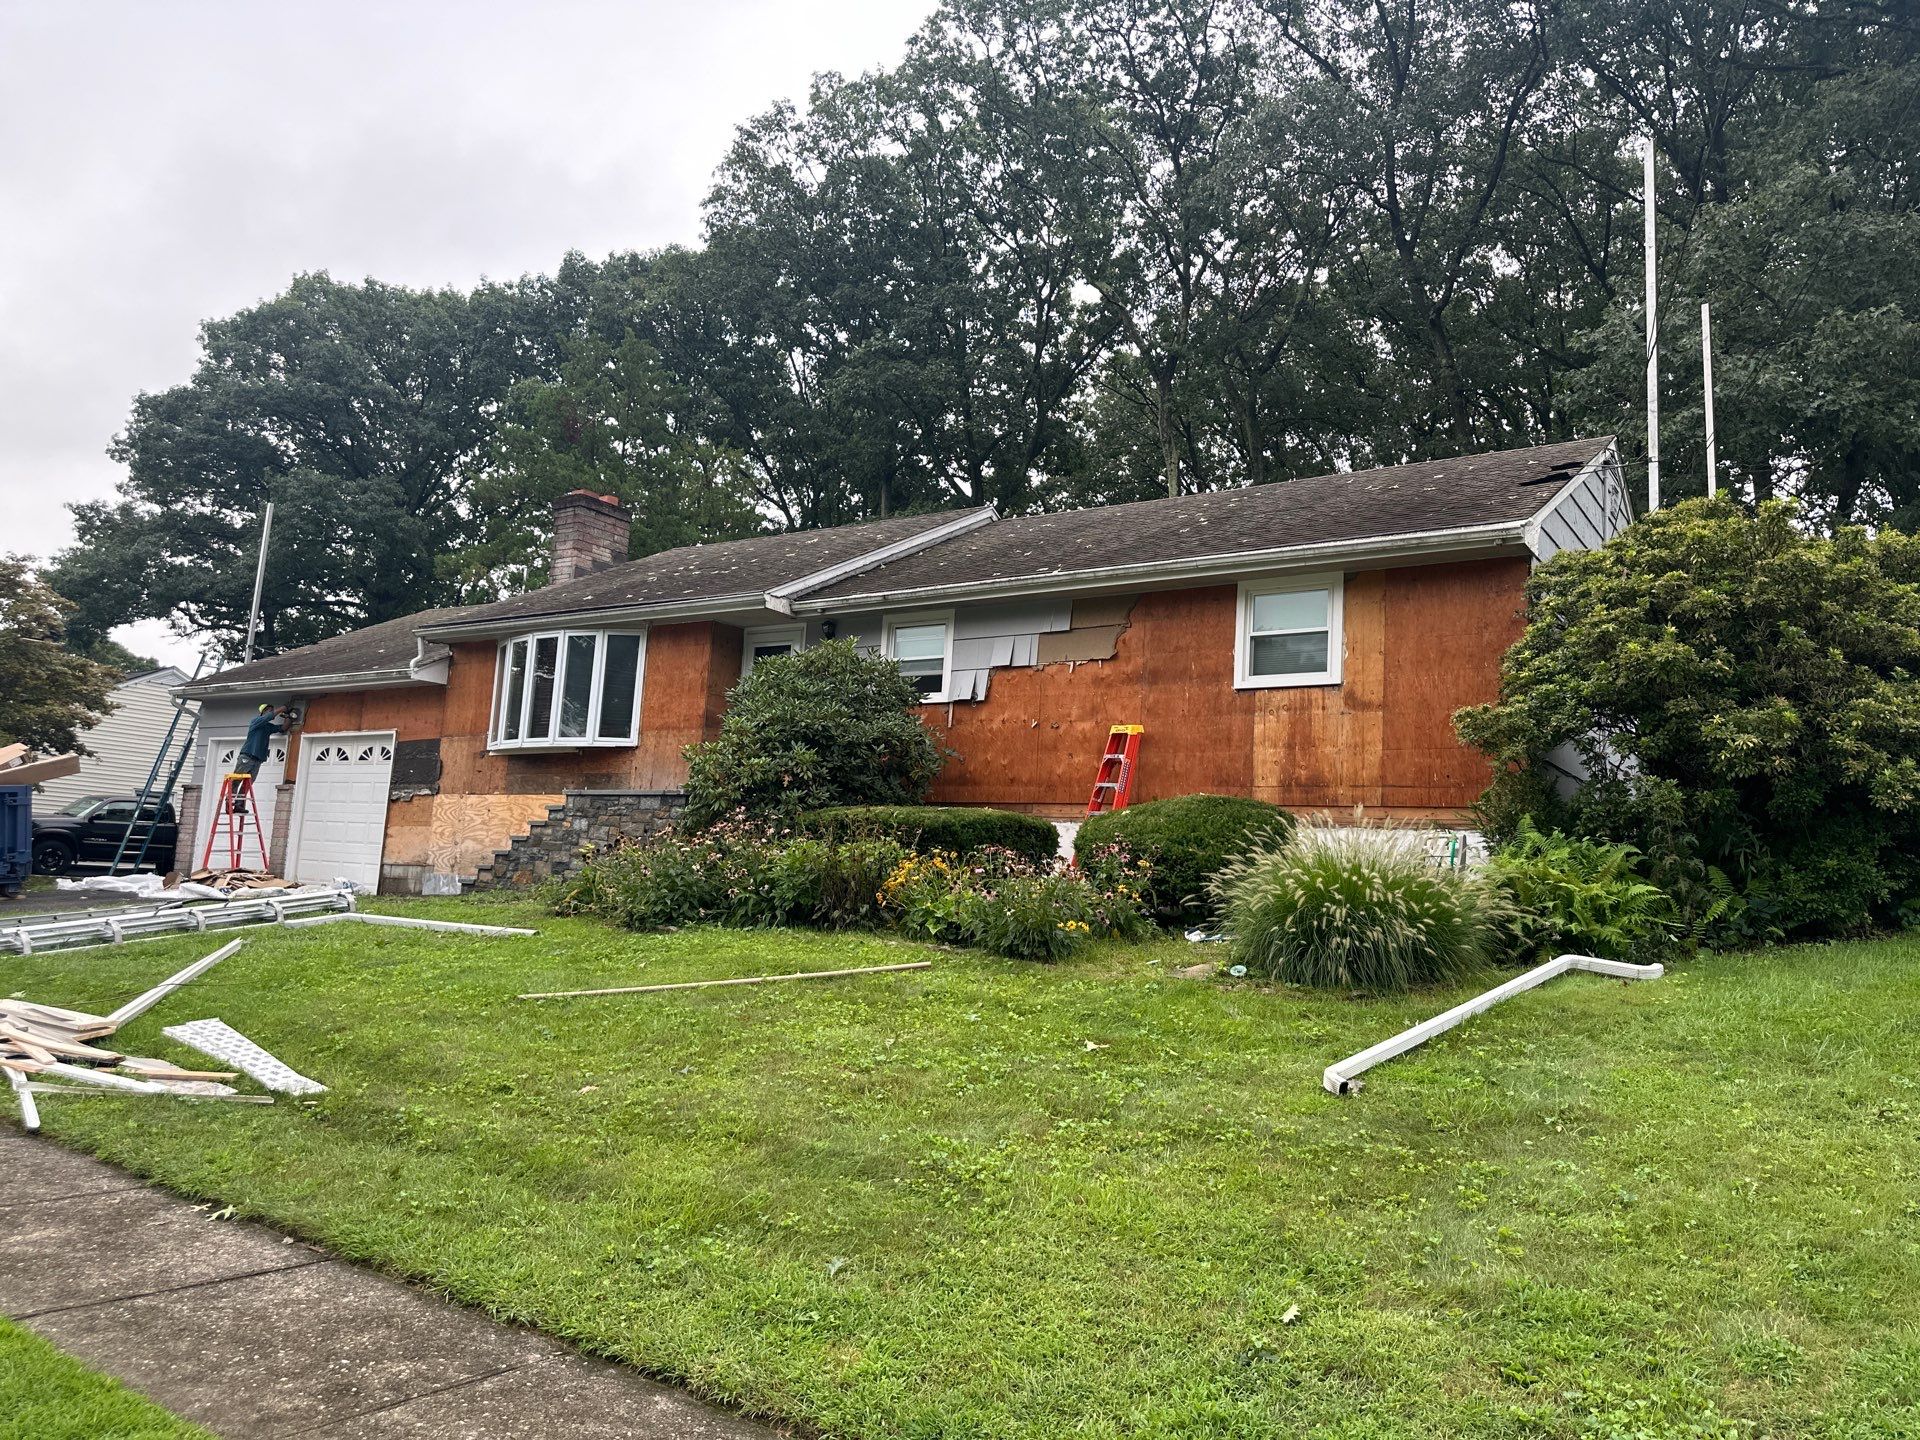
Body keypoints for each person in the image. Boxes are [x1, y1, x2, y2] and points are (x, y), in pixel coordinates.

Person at [229, 704, 293, 812]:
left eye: (272, 710)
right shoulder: (256, 721)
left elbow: (283, 728)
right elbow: (269, 717)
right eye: (269, 710)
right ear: (263, 712)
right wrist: (282, 708)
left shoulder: (268, 727)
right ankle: (229, 804)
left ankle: (239, 805)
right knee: (236, 780)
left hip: (257, 760)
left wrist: (288, 717)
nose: (271, 712)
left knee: (247, 784)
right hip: (247, 757)